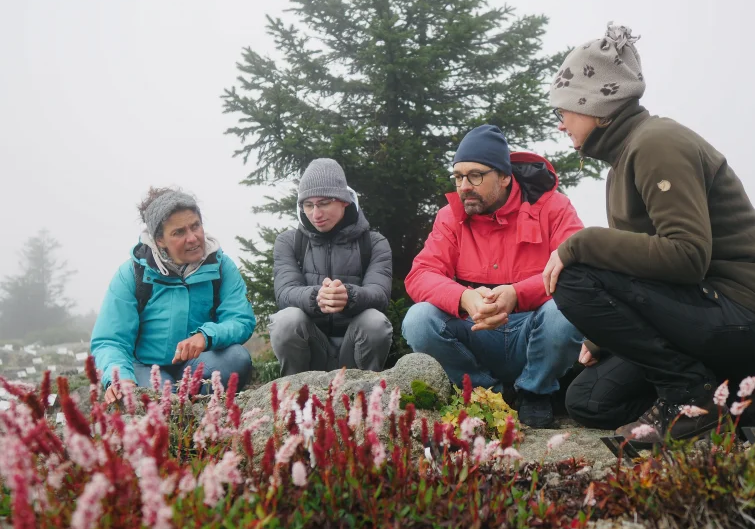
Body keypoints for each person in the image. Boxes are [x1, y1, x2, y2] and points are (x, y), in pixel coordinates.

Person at [543, 23, 755, 445]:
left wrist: (581, 243)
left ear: (597, 105)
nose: (560, 124)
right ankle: (751, 402)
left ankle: (689, 397)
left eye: (564, 110)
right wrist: (603, 333)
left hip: (750, 314)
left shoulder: (657, 143)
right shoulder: (624, 159)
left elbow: (686, 256)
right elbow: (639, 268)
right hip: (705, 310)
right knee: (591, 401)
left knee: (573, 276)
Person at [403, 125, 584, 428]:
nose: (464, 186)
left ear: (504, 176)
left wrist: (517, 294)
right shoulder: (449, 216)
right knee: (418, 319)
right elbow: (420, 274)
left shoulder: (554, 207)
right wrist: (464, 298)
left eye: (475, 175)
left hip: (533, 330)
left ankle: (535, 390)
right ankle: (488, 394)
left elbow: (577, 269)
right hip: (474, 329)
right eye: (458, 176)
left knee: (565, 309)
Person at [92, 188, 256, 401]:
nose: (192, 238)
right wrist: (121, 377)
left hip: (197, 362)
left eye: (196, 226)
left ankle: (189, 406)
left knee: (237, 358)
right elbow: (110, 340)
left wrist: (205, 336)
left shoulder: (221, 266)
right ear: (159, 240)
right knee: (162, 400)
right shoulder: (133, 274)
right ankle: (181, 406)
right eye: (179, 232)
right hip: (145, 367)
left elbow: (240, 319)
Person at [269, 158, 393, 374]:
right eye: (308, 205)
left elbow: (380, 295)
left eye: (324, 203)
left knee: (375, 322)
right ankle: (295, 396)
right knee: (286, 321)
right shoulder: (288, 241)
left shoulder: (374, 242)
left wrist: (349, 296)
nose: (315, 214)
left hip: (354, 344)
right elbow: (284, 293)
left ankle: (364, 395)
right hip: (311, 345)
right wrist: (317, 296)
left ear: (344, 201)